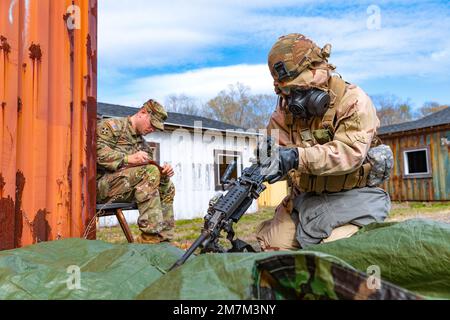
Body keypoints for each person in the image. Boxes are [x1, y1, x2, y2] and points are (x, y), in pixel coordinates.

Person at [256, 33, 393, 251]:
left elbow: (349, 153)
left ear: (318, 70)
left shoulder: (353, 100)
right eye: (286, 91)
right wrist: (264, 164)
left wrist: (296, 157)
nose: (292, 100)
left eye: (298, 89)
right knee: (272, 248)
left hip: (353, 196)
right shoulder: (284, 110)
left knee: (332, 253)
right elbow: (275, 153)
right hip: (305, 197)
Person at [96, 99, 175, 244]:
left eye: (155, 128)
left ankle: (164, 239)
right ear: (142, 113)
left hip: (127, 188)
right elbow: (96, 154)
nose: (152, 130)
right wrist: (128, 159)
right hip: (102, 187)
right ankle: (150, 238)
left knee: (167, 186)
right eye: (152, 125)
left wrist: (163, 173)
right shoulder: (112, 127)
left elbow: (150, 172)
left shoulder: (143, 145)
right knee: (149, 172)